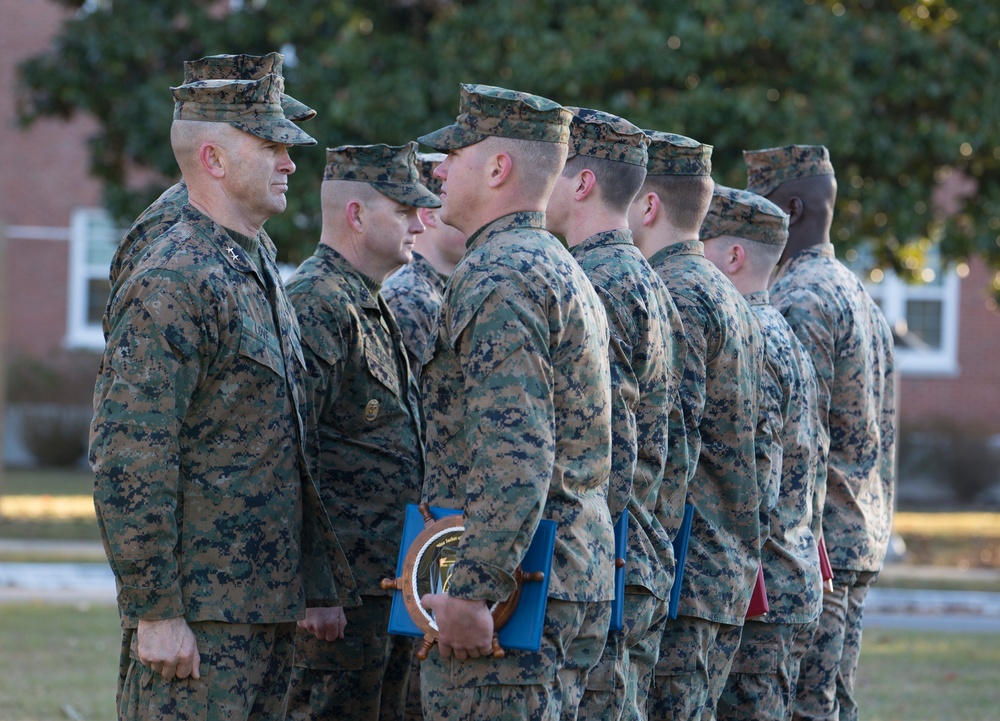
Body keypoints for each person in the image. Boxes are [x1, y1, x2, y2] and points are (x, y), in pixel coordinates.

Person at [90, 73, 358, 720]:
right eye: (270, 145)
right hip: (201, 620)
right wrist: (156, 610)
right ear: (213, 159)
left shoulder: (255, 257)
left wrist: (312, 582)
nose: (290, 160)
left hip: (263, 610)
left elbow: (285, 438)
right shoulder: (175, 277)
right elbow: (132, 454)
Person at [415, 83, 616, 720]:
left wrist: (472, 590)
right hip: (567, 571)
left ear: (498, 169)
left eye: (455, 155)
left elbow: (515, 450)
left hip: (515, 597)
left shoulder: (500, 274)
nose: (438, 170)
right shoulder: (556, 264)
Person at [282, 142, 439, 721]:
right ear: (355, 215)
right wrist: (315, 589)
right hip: (340, 601)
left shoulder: (367, 304)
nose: (422, 223)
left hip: (382, 588)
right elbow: (287, 455)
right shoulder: (318, 304)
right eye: (403, 211)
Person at [743, 145, 896, 721]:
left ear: (793, 207)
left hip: (820, 545)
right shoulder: (854, 290)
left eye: (760, 200)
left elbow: (798, 437)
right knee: (832, 703)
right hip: (854, 535)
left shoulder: (798, 297)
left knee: (809, 707)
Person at [544, 106, 681, 721]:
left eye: (554, 169)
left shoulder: (594, 282)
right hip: (637, 555)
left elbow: (606, 448)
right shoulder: (646, 278)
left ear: (582, 184)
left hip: (607, 557)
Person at [628, 132, 770, 721]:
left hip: (687, 573)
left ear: (649, 205)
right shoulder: (723, 291)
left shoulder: (677, 293)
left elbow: (668, 450)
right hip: (721, 567)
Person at [699, 185, 828, 721]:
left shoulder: (750, 337)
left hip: (762, 596)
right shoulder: (782, 335)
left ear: (733, 257)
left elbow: (753, 485)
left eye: (699, 243)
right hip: (786, 581)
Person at [108, 52, 315, 288]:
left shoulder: (238, 231)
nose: (289, 165)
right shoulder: (172, 236)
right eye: (268, 146)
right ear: (215, 158)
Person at [382, 151, 468, 381]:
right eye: (463, 208)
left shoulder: (446, 291)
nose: (473, 219)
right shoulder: (407, 298)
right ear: (429, 216)